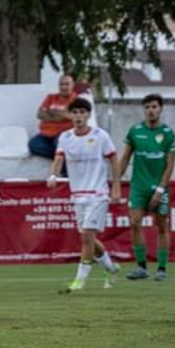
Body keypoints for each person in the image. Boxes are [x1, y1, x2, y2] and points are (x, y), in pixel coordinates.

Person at [48, 97, 122, 292]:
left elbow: (114, 160)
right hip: (78, 194)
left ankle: (79, 281)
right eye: (75, 112)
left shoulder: (101, 136)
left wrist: (116, 187)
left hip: (98, 193)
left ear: (88, 115)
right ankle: (111, 268)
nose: (79, 116)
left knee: (87, 236)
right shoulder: (65, 137)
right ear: (70, 115)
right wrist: (53, 175)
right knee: (88, 238)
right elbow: (58, 158)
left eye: (82, 112)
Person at [114, 93, 175, 282]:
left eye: (154, 107)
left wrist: (160, 190)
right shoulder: (135, 131)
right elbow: (125, 157)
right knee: (134, 222)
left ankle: (161, 268)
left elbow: (170, 165)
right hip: (139, 186)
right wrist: (116, 180)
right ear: (144, 110)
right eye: (147, 107)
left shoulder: (169, 134)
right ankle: (141, 267)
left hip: (159, 187)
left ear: (160, 109)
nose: (151, 110)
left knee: (161, 226)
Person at [29, 73, 95, 158]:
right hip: (46, 134)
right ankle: (59, 157)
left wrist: (51, 112)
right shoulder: (50, 97)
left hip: (64, 134)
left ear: (72, 85)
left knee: (59, 145)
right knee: (33, 145)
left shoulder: (76, 100)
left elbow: (77, 117)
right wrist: (61, 115)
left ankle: (61, 163)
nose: (63, 87)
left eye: (67, 84)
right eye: (61, 84)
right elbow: (40, 114)